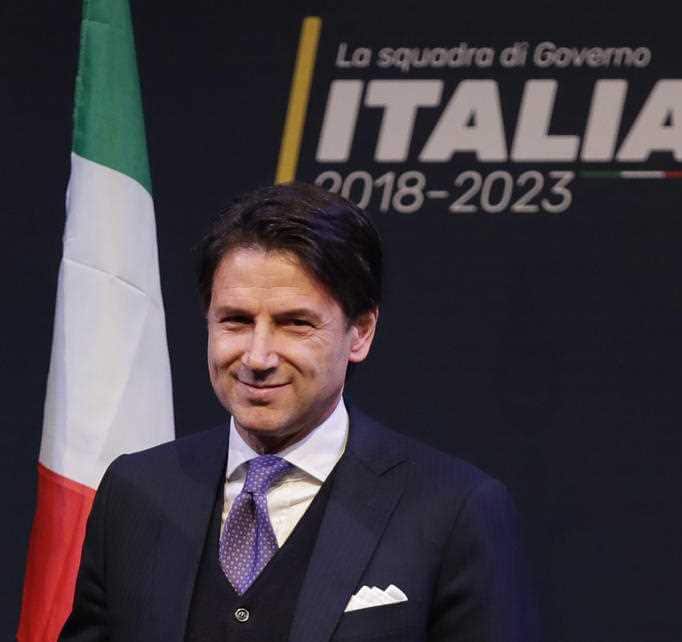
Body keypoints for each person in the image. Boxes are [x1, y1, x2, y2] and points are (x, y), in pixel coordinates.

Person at [60, 181, 538, 641]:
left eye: (295, 324)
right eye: (236, 321)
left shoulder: (453, 511)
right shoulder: (136, 493)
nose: (258, 357)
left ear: (361, 332)